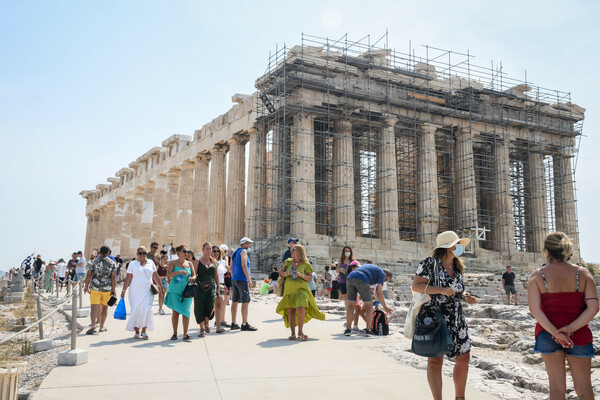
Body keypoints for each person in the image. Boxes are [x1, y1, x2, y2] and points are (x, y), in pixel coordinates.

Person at [528, 232, 598, 399]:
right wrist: (569, 329)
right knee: (584, 390)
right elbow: (594, 307)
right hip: (578, 334)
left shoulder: (538, 275)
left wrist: (555, 333)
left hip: (547, 335)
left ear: (547, 251)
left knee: (557, 389)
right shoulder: (584, 274)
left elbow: (534, 309)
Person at [411, 231, 478, 400]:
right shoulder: (429, 263)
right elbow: (417, 286)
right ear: (449, 247)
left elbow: (456, 291)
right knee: (435, 360)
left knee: (464, 357)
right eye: (458, 244)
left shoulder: (457, 267)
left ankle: (460, 398)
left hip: (456, 317)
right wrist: (440, 290)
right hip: (435, 316)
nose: (461, 247)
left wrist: (464, 296)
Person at [276, 244, 325, 340]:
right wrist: (286, 273)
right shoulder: (288, 262)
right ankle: (293, 333)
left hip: (302, 289)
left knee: (301, 307)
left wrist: (301, 275)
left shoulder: (306, 264)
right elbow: (280, 273)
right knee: (291, 310)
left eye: (293, 249)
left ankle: (300, 331)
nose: (291, 250)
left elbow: (310, 278)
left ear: (299, 251)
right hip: (289, 289)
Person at [121, 246, 163, 339]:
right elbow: (128, 278)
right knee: (136, 310)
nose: (142, 255)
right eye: (140, 253)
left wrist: (161, 286)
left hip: (148, 291)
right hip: (135, 292)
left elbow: (155, 275)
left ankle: (144, 331)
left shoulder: (151, 262)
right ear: (137, 254)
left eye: (144, 253)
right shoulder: (132, 264)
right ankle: (136, 330)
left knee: (147, 310)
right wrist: (123, 290)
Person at [345, 264, 393, 336]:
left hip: (350, 277)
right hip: (362, 278)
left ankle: (348, 329)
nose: (385, 281)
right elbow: (379, 292)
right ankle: (368, 330)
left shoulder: (373, 271)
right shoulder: (381, 273)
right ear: (385, 274)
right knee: (369, 305)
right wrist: (385, 307)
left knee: (351, 304)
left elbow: (368, 289)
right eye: (386, 279)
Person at [164, 245, 196, 340]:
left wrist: (192, 279)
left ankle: (185, 334)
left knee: (186, 311)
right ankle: (175, 333)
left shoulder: (190, 263)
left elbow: (194, 275)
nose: (186, 253)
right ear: (178, 252)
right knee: (176, 312)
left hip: (187, 291)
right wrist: (179, 272)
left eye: (187, 251)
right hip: (175, 291)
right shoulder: (173, 263)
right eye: (184, 251)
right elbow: (168, 274)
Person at [83, 246, 117, 334]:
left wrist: (86, 286)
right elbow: (113, 278)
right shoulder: (112, 263)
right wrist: (114, 290)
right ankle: (101, 327)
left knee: (94, 307)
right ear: (108, 252)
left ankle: (94, 324)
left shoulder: (94, 261)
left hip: (95, 287)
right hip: (107, 289)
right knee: (105, 308)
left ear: (100, 252)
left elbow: (89, 275)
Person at [230, 237, 257, 331]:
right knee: (245, 301)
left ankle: (233, 323)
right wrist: (249, 280)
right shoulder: (244, 252)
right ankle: (244, 323)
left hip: (235, 279)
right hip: (242, 279)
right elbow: (244, 265)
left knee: (235, 301)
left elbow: (231, 267)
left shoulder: (234, 253)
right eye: (249, 243)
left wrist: (234, 277)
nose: (250, 245)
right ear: (245, 244)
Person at [194, 243, 222, 336]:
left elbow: (216, 276)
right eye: (207, 249)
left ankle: (206, 321)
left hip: (211, 288)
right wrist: (192, 280)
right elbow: (194, 274)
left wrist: (218, 287)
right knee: (199, 307)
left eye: (210, 249)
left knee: (210, 307)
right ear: (203, 250)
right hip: (200, 288)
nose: (209, 251)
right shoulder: (198, 261)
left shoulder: (214, 262)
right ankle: (202, 328)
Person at [214, 246, 230, 328]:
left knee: (220, 303)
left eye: (218, 251)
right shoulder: (210, 261)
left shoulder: (223, 262)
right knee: (213, 305)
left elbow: (227, 270)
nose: (216, 253)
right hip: (213, 284)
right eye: (214, 251)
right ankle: (207, 323)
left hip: (221, 284)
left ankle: (219, 322)